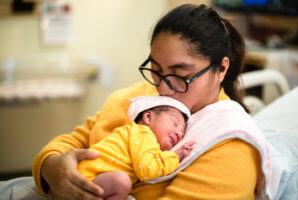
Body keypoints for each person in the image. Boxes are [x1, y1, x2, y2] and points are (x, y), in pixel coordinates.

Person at [32, 4, 276, 200]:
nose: (162, 87)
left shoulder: (229, 145)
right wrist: (52, 168)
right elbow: (74, 141)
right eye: (156, 70)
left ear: (221, 69)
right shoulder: (138, 98)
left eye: (180, 76)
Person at [77, 95, 194, 200]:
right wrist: (174, 157)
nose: (179, 133)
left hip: (89, 179)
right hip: (87, 179)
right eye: (174, 123)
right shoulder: (143, 133)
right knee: (121, 181)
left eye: (182, 133)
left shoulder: (133, 134)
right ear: (148, 117)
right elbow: (148, 169)